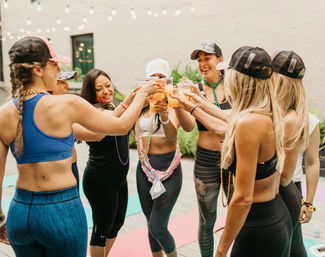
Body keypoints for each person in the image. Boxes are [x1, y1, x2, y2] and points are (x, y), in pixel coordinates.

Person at [0, 36, 156, 257]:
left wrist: (0, 219)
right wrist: (143, 94)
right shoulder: (67, 104)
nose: (58, 69)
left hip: (20, 212)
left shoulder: (4, 113)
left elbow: (97, 133)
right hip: (60, 210)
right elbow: (121, 127)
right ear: (38, 69)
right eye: (54, 64)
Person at [215, 46, 291, 257]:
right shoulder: (269, 112)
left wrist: (221, 249)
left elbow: (243, 198)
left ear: (238, 80)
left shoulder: (248, 123)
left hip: (258, 227)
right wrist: (193, 103)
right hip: (275, 216)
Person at [175, 42, 233, 257]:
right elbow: (189, 126)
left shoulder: (234, 84)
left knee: (239, 212)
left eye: (206, 58)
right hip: (206, 161)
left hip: (233, 158)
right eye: (199, 60)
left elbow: (235, 123)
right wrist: (180, 106)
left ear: (219, 59)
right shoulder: (194, 89)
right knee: (207, 219)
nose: (202, 64)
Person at [73, 69, 137, 257]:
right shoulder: (94, 112)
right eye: (99, 89)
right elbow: (111, 122)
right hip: (100, 180)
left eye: (108, 85)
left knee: (116, 225)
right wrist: (130, 102)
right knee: (101, 230)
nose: (106, 91)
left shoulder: (112, 107)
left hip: (119, 179)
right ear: (92, 93)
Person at [272, 51, 317, 257]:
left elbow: (312, 162)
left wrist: (308, 202)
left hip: (286, 186)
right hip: (280, 187)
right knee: (291, 246)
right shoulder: (268, 112)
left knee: (290, 246)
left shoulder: (304, 120)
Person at [135, 58, 182, 257]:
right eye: (152, 76)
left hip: (169, 169)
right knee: (150, 224)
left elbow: (172, 136)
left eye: (161, 76)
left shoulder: (173, 102)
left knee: (158, 227)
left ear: (168, 79)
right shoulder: (142, 103)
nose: (157, 80)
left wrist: (163, 114)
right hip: (144, 169)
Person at [291, 113, 320, 257]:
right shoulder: (261, 113)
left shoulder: (308, 120)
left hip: (291, 188)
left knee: (294, 246)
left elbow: (312, 162)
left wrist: (309, 203)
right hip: (260, 187)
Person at [53, 71, 80, 190]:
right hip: (59, 172)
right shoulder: (50, 113)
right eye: (62, 82)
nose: (68, 86)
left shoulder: (64, 108)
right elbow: (95, 134)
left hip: (72, 166)